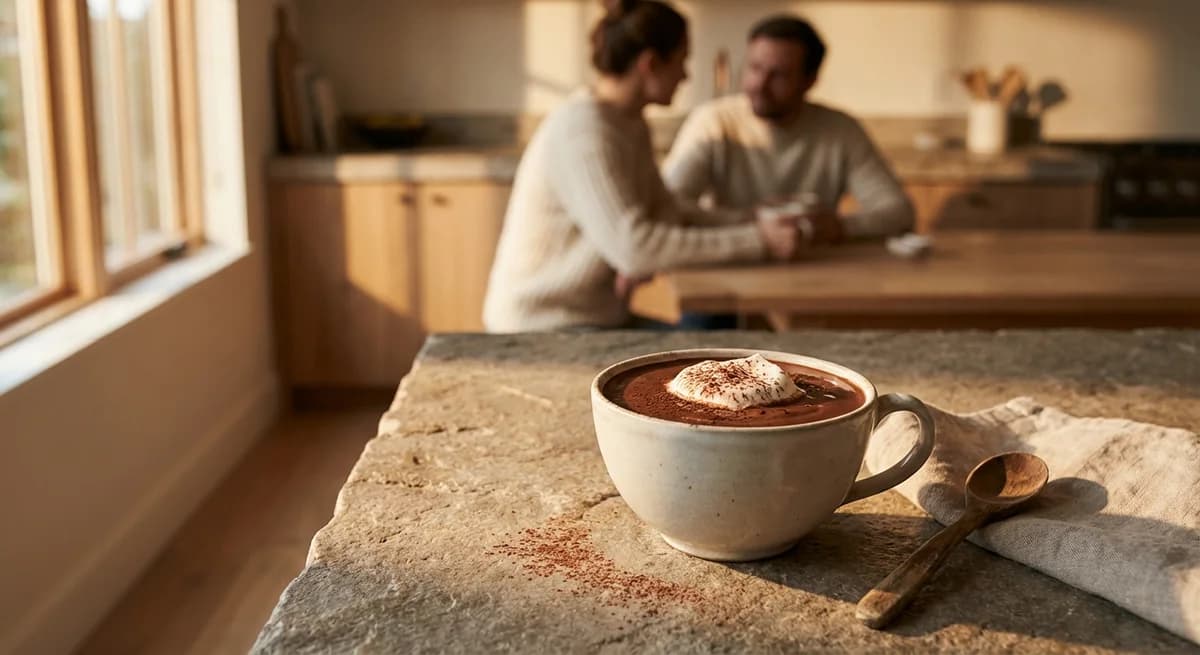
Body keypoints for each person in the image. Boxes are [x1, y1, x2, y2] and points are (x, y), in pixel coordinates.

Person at [482, 0, 799, 333]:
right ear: (650, 63)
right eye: (681, 61)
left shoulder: (628, 122)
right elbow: (634, 250)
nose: (685, 75)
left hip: (597, 321)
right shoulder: (583, 130)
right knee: (712, 356)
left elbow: (667, 210)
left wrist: (753, 219)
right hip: (544, 329)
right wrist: (758, 241)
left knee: (719, 349)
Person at [663, 15, 914, 246]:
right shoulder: (714, 123)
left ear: (810, 80)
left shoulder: (840, 130)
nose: (759, 85)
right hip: (735, 260)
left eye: (779, 75)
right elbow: (668, 208)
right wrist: (750, 220)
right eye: (754, 68)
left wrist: (838, 226)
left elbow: (898, 212)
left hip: (814, 268)